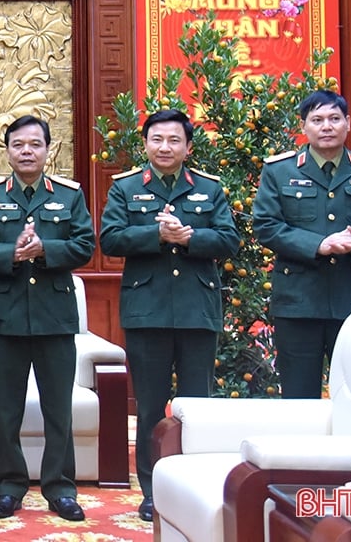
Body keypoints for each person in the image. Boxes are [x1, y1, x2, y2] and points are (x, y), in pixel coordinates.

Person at [98, 108, 238, 522]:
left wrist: (191, 236)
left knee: (198, 406)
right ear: (145, 144)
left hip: (198, 310)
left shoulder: (210, 189)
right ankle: (152, 490)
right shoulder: (125, 188)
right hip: (147, 312)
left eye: (174, 140)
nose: (164, 147)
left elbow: (229, 239)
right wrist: (155, 235)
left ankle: (196, 484)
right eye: (157, 139)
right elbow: (109, 239)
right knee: (149, 407)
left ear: (188, 147)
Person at [0, 115, 93, 522]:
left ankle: (60, 489)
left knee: (58, 409)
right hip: (6, 316)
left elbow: (85, 245)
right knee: (7, 409)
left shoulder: (69, 195)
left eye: (35, 145)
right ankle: (8, 487)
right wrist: (13, 254)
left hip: (55, 317)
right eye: (18, 145)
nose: (26, 152)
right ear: (7, 150)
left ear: (47, 150)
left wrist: (44, 249)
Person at [252, 90, 351, 398]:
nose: (327, 126)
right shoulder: (279, 170)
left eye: (334, 119)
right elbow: (266, 226)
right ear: (303, 127)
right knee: (299, 397)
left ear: (348, 123)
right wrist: (318, 244)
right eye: (317, 120)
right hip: (299, 303)